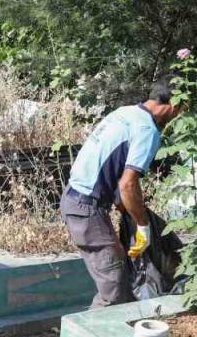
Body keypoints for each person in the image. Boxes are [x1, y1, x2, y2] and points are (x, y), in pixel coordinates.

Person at [61, 78, 183, 308]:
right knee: (114, 287)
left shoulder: (125, 113)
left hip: (76, 201)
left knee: (119, 279)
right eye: (179, 112)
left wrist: (126, 212)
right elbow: (128, 185)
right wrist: (143, 226)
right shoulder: (147, 130)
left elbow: (115, 172)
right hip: (86, 209)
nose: (176, 117)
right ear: (173, 106)